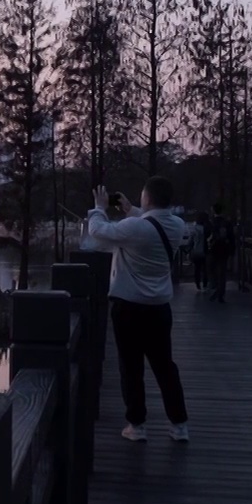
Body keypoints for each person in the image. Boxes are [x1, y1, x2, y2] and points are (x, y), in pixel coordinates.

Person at [88, 177, 190, 442]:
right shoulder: (177, 225)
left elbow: (98, 231)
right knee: (165, 366)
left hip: (129, 309)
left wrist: (99, 207)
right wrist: (130, 209)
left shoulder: (135, 228)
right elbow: (150, 224)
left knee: (131, 367)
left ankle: (137, 425)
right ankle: (179, 425)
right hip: (159, 309)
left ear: (147, 197)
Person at [206, 203, 235, 303]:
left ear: (213, 211)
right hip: (224, 249)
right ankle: (221, 293)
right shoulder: (227, 223)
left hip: (212, 249)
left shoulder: (210, 222)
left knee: (210, 270)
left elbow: (206, 235)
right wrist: (232, 250)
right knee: (222, 272)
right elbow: (231, 237)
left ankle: (215, 288)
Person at [189, 212, 209, 291]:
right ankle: (205, 283)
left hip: (196, 251)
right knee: (205, 269)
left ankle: (197, 284)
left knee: (197, 269)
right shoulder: (206, 228)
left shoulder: (194, 228)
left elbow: (190, 240)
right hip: (205, 250)